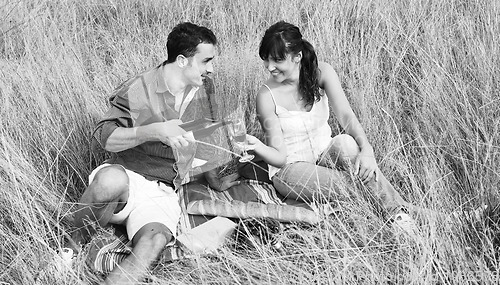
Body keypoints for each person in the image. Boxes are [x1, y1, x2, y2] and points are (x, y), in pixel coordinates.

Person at [68, 22, 239, 285]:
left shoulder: (206, 90)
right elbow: (105, 138)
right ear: (182, 60)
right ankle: (68, 252)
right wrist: (154, 130)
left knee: (154, 242)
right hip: (127, 179)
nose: (211, 68)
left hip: (163, 191)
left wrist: (218, 177)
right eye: (206, 61)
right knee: (110, 181)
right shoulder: (141, 87)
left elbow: (206, 140)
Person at [245, 21, 416, 233]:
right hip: (290, 169)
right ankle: (405, 214)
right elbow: (279, 157)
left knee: (347, 144)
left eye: (277, 60)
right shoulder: (266, 97)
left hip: (325, 153)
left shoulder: (321, 72)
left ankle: (399, 215)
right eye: (267, 59)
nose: (270, 67)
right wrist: (256, 146)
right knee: (359, 183)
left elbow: (346, 116)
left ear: (297, 57)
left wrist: (367, 150)